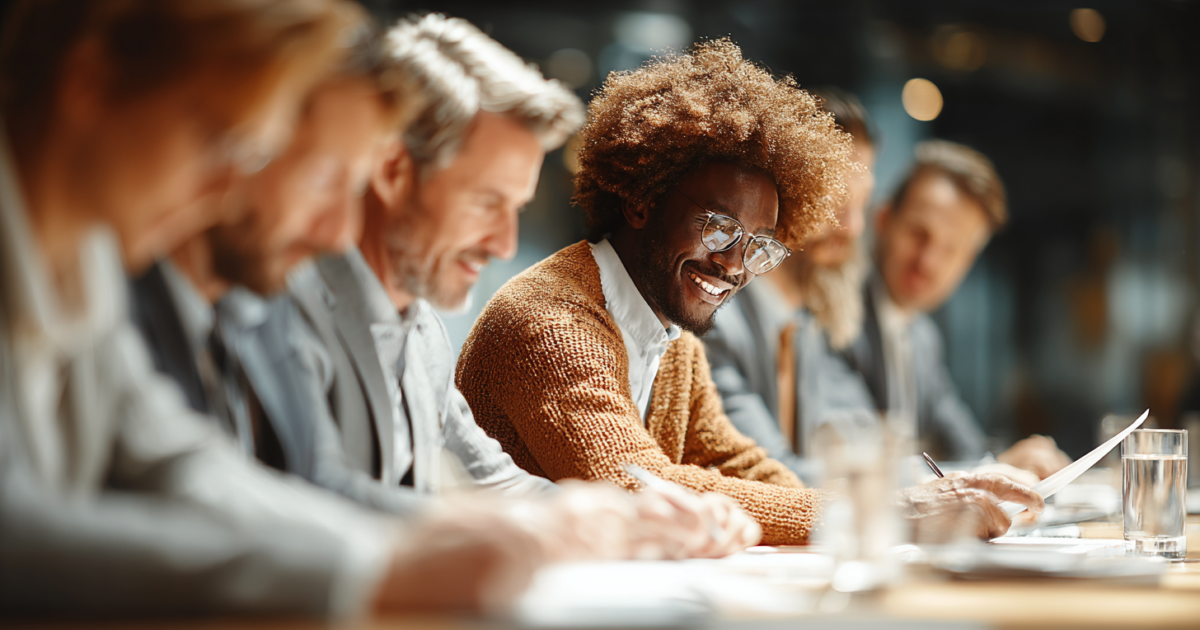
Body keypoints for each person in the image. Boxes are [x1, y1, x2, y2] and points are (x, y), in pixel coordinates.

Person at [0, 0, 546, 617]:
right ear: (88, 86)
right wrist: (366, 572)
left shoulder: (88, 269)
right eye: (217, 140)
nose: (222, 191)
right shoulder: (132, 273)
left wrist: (381, 556)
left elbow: (179, 461)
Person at [455, 40, 1044, 545]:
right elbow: (637, 480)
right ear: (641, 200)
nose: (735, 266)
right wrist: (893, 513)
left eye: (758, 244)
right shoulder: (551, 320)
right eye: (719, 228)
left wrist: (895, 508)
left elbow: (743, 466)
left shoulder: (672, 337)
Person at [285, 14, 759, 558]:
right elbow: (306, 495)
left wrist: (631, 518)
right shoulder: (286, 305)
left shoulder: (422, 331)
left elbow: (493, 480)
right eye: (487, 202)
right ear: (393, 173)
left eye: (517, 209)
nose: (505, 245)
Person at [848, 140, 1071, 477]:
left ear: (967, 263)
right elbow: (854, 464)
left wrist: (1006, 464)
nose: (928, 261)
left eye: (951, 249)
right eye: (919, 233)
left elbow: (966, 446)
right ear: (882, 221)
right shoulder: (839, 317)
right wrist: (993, 470)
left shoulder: (922, 338)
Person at [704, 89, 879, 484]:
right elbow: (774, 477)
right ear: (785, 194)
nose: (854, 228)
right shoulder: (714, 320)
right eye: (836, 201)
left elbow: (870, 447)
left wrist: (944, 483)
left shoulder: (806, 327)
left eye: (862, 204)